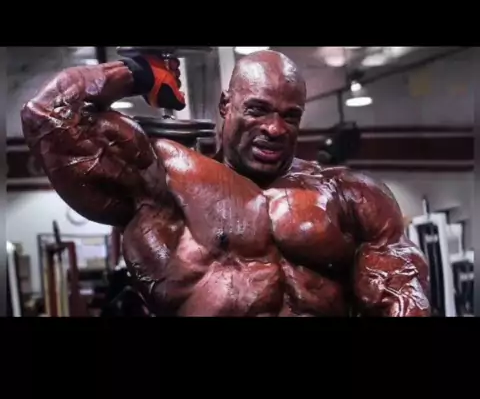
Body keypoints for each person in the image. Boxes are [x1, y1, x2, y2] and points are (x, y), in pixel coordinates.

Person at [21, 49, 430, 317]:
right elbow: (47, 113)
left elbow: (401, 295)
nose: (274, 128)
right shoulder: (166, 183)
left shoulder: (349, 195)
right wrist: (138, 73)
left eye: (290, 116)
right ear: (225, 105)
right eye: (257, 110)